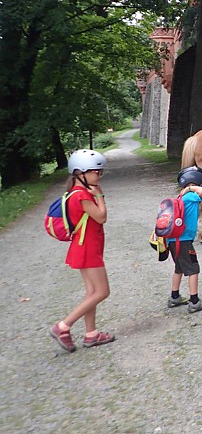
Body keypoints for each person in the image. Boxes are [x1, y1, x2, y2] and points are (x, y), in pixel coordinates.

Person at [50, 149, 115, 352]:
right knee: (103, 291)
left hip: (84, 246)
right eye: (96, 172)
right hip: (87, 248)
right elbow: (101, 217)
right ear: (80, 173)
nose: (99, 175)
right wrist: (101, 196)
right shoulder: (81, 195)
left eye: (100, 172)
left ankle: (91, 334)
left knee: (92, 293)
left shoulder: (79, 193)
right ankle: (63, 326)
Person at [167, 166, 202, 313]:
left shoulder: (180, 197)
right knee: (193, 269)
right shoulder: (190, 196)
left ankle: (174, 297)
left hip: (173, 241)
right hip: (184, 241)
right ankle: (194, 301)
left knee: (179, 268)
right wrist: (191, 189)